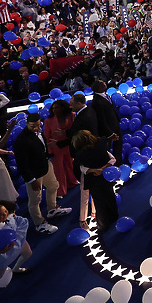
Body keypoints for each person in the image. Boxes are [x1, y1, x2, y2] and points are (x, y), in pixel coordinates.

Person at [12, 113, 71, 234]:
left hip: (45, 165)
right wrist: (31, 180)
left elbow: (39, 147)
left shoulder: (39, 132)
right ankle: (39, 223)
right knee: (35, 200)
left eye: (38, 125)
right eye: (33, 126)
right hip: (34, 173)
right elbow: (22, 164)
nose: (36, 128)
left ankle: (52, 209)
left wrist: (47, 150)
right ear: (27, 124)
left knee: (54, 186)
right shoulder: (21, 141)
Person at [71, 130, 119, 232]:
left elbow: (81, 169)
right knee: (110, 195)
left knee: (99, 202)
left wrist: (94, 170)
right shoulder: (101, 143)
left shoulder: (80, 155)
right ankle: (114, 216)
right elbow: (111, 158)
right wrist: (103, 169)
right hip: (107, 176)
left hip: (94, 181)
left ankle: (102, 225)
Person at [67, 93, 98, 226]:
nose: (70, 106)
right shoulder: (89, 111)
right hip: (92, 157)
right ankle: (94, 213)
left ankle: (83, 219)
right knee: (93, 189)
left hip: (86, 158)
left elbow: (73, 134)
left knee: (85, 191)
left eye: (72, 103)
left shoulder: (83, 118)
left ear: (79, 103)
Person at [43, 99, 78, 198]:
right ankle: (61, 191)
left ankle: (73, 181)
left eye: (56, 107)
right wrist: (49, 150)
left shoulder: (72, 116)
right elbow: (47, 136)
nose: (54, 110)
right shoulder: (48, 121)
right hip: (56, 147)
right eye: (53, 108)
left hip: (68, 145)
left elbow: (74, 131)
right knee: (58, 171)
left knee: (70, 164)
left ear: (63, 107)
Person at [90, 81, 122, 162]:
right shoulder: (96, 101)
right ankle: (109, 164)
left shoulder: (105, 95)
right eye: (102, 83)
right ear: (99, 88)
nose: (105, 83)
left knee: (118, 145)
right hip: (108, 129)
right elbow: (101, 119)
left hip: (114, 125)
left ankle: (118, 162)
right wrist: (109, 133)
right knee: (106, 148)